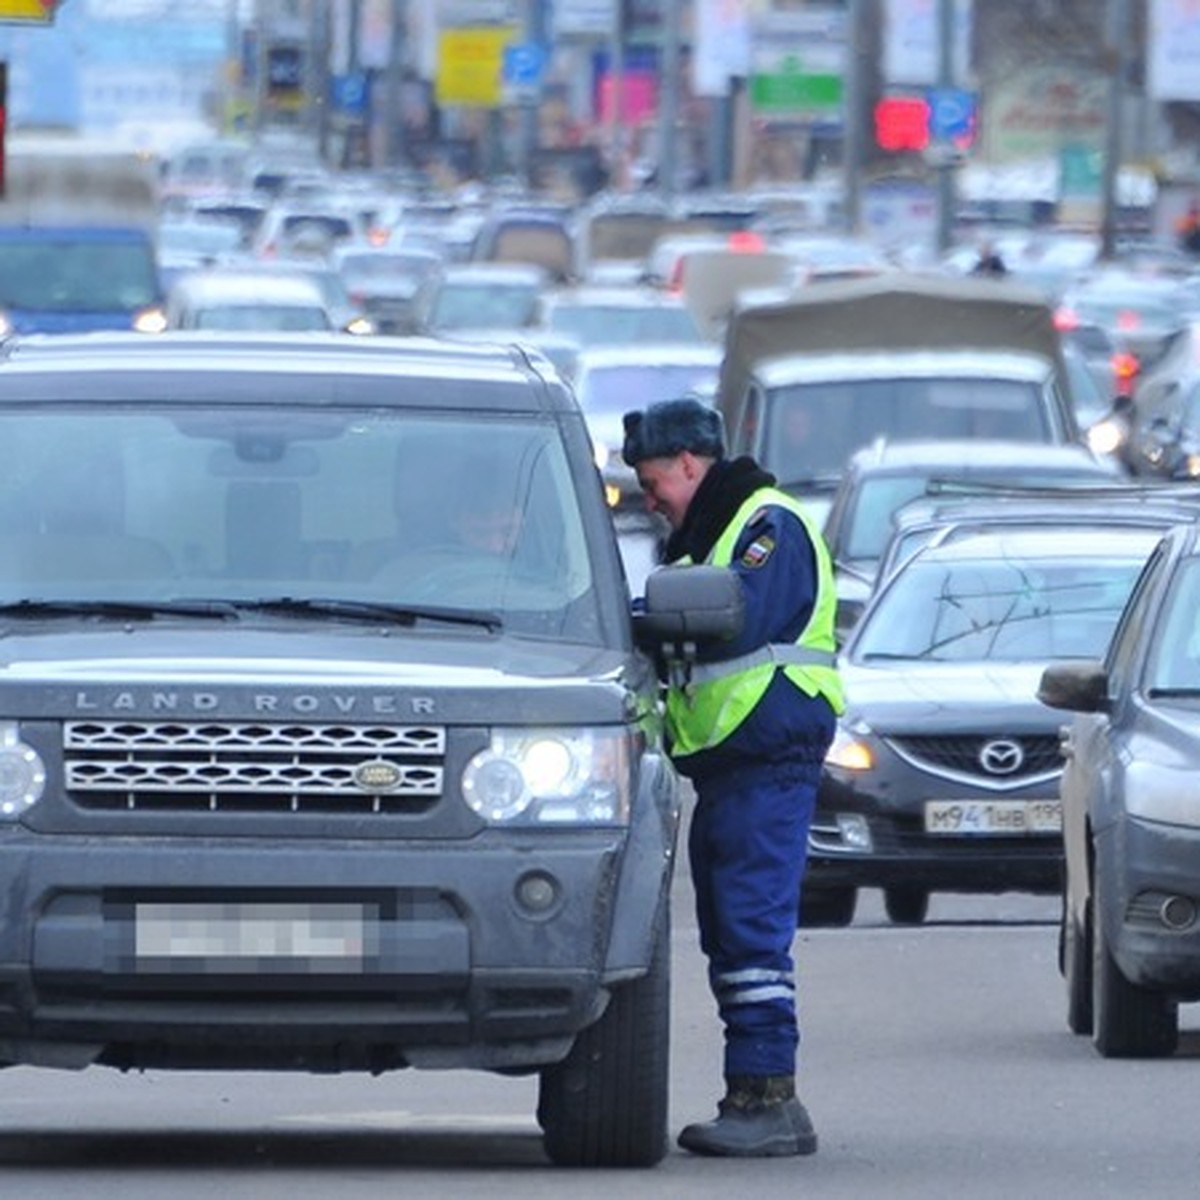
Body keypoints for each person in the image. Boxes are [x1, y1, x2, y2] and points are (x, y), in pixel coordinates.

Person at [621, 397, 844, 1158]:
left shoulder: (763, 525)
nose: (650, 501)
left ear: (690, 463)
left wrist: (645, 621)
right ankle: (749, 1093)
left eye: (654, 483)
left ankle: (770, 1101)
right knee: (729, 931)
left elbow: (733, 619)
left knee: (751, 929)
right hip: (730, 771)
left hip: (767, 763)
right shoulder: (705, 541)